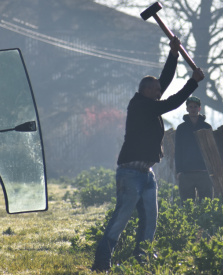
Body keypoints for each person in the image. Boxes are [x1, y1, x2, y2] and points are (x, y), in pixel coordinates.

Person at [91, 37, 205, 272]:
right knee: (121, 219)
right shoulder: (141, 105)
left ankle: (141, 260)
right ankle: (102, 261)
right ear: (147, 91)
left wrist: (173, 54)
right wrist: (192, 83)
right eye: (156, 91)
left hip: (146, 173)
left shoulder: (149, 100)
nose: (160, 92)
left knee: (150, 220)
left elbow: (163, 81)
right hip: (130, 173)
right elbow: (172, 102)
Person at [175, 96, 213, 203]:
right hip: (186, 173)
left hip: (204, 172)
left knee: (206, 205)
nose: (193, 109)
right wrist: (179, 171)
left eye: (195, 107)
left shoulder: (207, 127)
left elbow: (211, 149)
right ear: (187, 109)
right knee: (187, 207)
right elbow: (177, 150)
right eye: (190, 107)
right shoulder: (181, 128)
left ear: (199, 109)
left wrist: (211, 168)